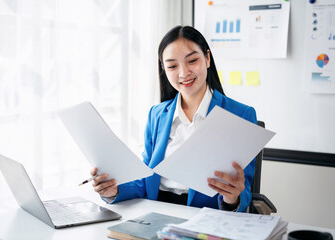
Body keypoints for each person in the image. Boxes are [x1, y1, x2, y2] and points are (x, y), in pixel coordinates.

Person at [90, 25, 257, 212]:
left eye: (192, 60)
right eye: (172, 66)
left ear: (207, 59)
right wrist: (114, 190)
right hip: (155, 212)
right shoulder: (157, 114)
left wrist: (232, 198)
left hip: (205, 217)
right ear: (164, 69)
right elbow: (145, 181)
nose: (184, 73)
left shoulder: (240, 115)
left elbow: (245, 190)